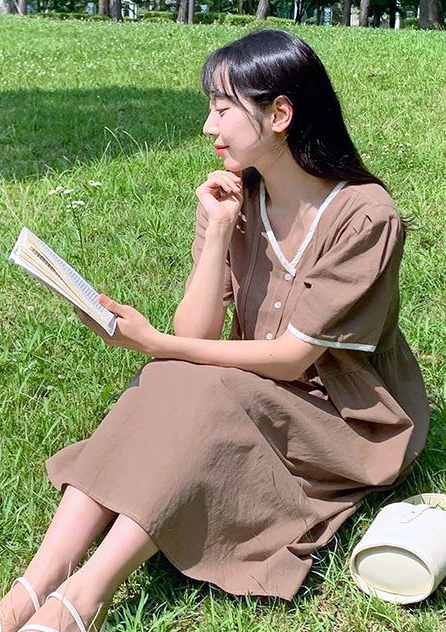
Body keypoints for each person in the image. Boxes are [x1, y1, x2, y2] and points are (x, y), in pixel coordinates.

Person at [0, 29, 430, 632]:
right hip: (259, 382)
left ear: (280, 115)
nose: (209, 127)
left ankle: (84, 599)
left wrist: (154, 344)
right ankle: (33, 588)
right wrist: (219, 231)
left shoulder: (365, 216)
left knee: (193, 383)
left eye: (223, 109)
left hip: (342, 416)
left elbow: (292, 359)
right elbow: (195, 329)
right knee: (173, 376)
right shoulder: (237, 197)